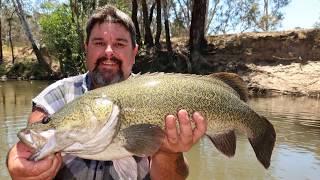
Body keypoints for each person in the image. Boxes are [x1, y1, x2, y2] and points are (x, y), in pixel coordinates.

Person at [6, 5, 207, 180]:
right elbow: (27, 145)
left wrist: (169, 153)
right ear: (87, 49)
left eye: (119, 44)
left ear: (134, 53)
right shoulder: (56, 95)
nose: (108, 51)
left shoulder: (158, 93)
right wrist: (17, 164)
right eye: (99, 43)